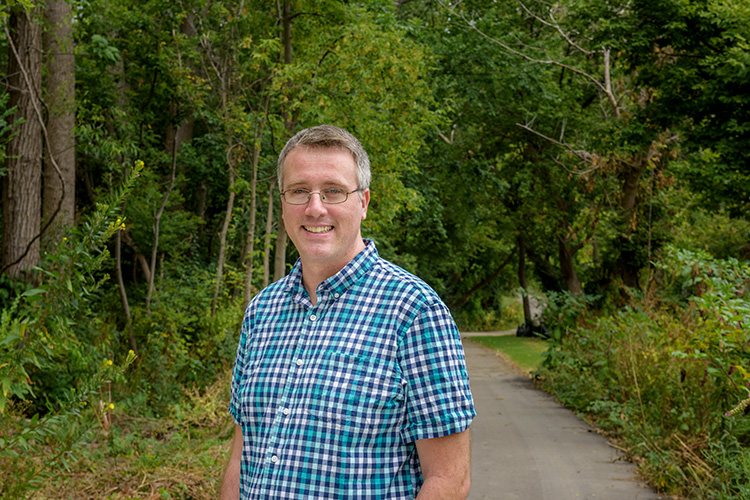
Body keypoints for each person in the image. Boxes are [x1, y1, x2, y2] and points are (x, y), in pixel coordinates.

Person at [220, 125, 475, 499]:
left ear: (364, 202)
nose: (315, 207)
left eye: (334, 191)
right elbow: (243, 451)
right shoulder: (261, 311)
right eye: (299, 191)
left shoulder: (415, 313)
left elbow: (449, 479)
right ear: (283, 201)